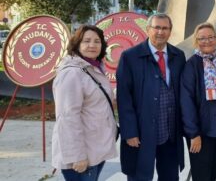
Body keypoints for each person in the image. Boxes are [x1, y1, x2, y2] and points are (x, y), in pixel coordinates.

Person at [117, 13, 186, 181]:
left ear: (170, 31)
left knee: (170, 177)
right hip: (141, 133)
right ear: (148, 29)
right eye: (157, 27)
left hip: (170, 133)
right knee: (139, 176)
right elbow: (124, 98)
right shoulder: (130, 57)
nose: (160, 32)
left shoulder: (178, 56)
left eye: (165, 28)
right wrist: (130, 132)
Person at [52, 25, 117, 181]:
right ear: (77, 44)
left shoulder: (92, 68)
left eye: (97, 41)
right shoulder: (72, 73)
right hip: (82, 156)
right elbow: (68, 117)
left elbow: (99, 102)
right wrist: (77, 156)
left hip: (94, 150)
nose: (92, 45)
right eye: (86, 41)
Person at [180, 22, 216, 181]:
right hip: (201, 132)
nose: (207, 41)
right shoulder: (191, 65)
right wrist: (193, 133)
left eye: (211, 37)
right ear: (196, 41)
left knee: (212, 175)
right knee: (201, 176)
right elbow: (186, 101)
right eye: (202, 38)